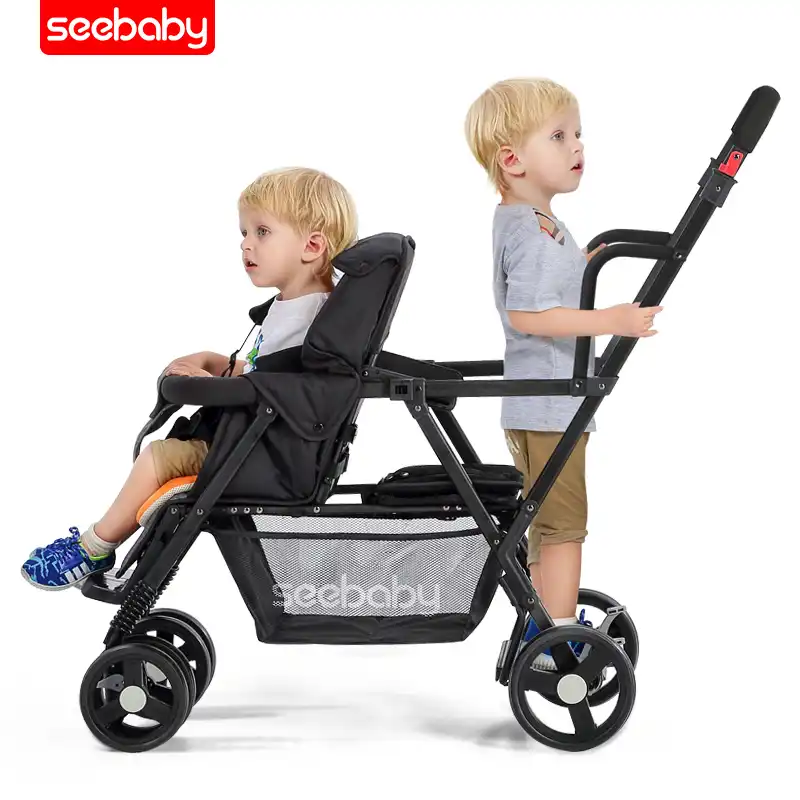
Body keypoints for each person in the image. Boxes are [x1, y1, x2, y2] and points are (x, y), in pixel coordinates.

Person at [22, 166, 358, 590]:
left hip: (262, 456)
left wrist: (212, 384)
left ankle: (95, 546)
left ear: (311, 245)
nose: (246, 244)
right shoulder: (297, 308)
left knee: (158, 458)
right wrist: (214, 363)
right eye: (243, 233)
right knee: (164, 456)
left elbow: (282, 390)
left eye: (262, 232)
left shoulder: (309, 317)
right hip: (255, 444)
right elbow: (272, 375)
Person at [464, 78, 662, 668]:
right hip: (551, 404)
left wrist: (583, 264)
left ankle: (542, 620)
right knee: (564, 526)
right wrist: (610, 319)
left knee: (542, 520)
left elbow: (545, 287)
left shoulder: (531, 221)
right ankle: (559, 638)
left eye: (577, 133)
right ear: (512, 160)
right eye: (558, 136)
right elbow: (528, 313)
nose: (577, 145)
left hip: (540, 402)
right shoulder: (532, 230)